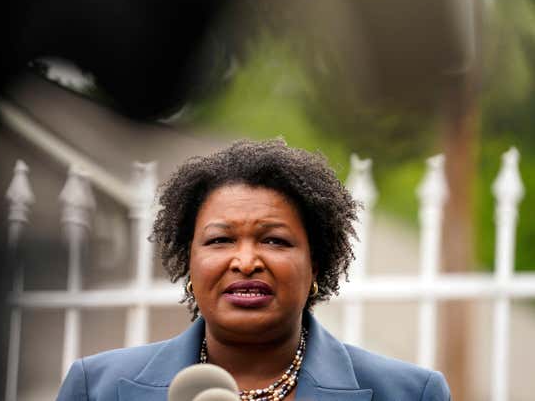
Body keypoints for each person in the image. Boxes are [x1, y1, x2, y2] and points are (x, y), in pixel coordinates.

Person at [57, 139, 450, 401]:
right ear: (188, 261)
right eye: (220, 241)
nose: (245, 262)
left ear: (315, 263)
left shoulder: (409, 393)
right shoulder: (97, 387)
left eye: (275, 240)